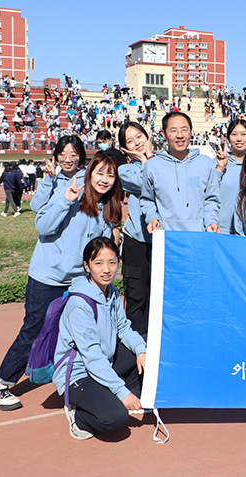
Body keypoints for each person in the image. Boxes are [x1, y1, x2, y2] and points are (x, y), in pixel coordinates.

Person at [0, 154, 121, 411]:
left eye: (110, 175)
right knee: (35, 330)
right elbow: (42, 226)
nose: (104, 179)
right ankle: (0, 385)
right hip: (48, 277)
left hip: (77, 282)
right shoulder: (70, 192)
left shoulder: (106, 208)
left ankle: (74, 380)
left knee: (73, 333)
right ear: (89, 173)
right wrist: (65, 200)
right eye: (100, 173)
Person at [53, 237, 146, 440]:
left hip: (104, 361)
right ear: (86, 266)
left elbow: (123, 328)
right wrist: (122, 392)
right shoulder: (79, 304)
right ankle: (79, 417)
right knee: (116, 418)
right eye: (98, 263)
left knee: (146, 345)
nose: (106, 270)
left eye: (112, 262)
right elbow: (92, 357)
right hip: (78, 374)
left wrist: (141, 350)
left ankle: (111, 391)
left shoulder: (111, 292)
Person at [141, 112, 220, 234]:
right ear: (163, 134)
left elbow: (211, 199)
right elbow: (147, 200)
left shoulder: (205, 163)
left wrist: (211, 221)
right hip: (166, 235)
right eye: (173, 130)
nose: (179, 135)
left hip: (199, 234)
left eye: (184, 130)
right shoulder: (152, 166)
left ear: (191, 132)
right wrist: (152, 217)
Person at [117, 122, 154, 335]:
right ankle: (136, 349)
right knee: (136, 298)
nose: (137, 143)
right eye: (130, 141)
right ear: (124, 149)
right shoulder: (125, 170)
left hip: (163, 239)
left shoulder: (164, 161)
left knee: (159, 295)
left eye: (139, 136)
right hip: (137, 241)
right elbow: (147, 182)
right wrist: (144, 160)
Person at [215, 117, 246, 234]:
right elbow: (209, 190)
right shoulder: (217, 162)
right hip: (220, 228)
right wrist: (220, 169)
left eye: (243, 134)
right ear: (228, 138)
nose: (239, 139)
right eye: (234, 134)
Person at [31, 135, 86, 213]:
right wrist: (48, 180)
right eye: (62, 155)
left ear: (80, 157)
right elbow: (36, 207)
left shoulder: (88, 180)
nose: (67, 160)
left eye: (73, 155)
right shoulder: (53, 181)